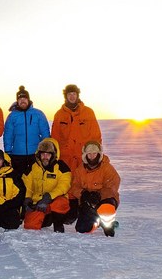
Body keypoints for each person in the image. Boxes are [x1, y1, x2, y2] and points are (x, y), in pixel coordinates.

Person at [51, 84, 102, 224]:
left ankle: (86, 210)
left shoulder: (88, 113)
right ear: (65, 96)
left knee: (84, 183)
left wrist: (95, 155)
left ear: (78, 95)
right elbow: (54, 137)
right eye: (69, 94)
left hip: (83, 156)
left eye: (74, 94)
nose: (72, 96)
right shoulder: (59, 114)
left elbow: (96, 136)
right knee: (68, 183)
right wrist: (55, 157)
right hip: (66, 157)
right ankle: (70, 210)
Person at [70, 141, 121, 237]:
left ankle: (108, 224)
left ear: (99, 154)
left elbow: (113, 185)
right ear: (85, 155)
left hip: (105, 200)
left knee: (107, 209)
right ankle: (97, 223)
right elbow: (74, 186)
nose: (92, 156)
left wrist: (99, 195)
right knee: (81, 229)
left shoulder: (107, 168)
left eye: (95, 153)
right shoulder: (79, 170)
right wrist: (83, 194)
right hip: (87, 201)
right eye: (89, 154)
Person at [23, 138, 71, 233]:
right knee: (30, 225)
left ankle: (58, 224)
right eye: (43, 154)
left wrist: (49, 197)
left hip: (55, 199)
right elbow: (26, 184)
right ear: (39, 154)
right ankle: (47, 218)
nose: (45, 157)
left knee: (60, 203)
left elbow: (64, 186)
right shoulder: (32, 167)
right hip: (38, 202)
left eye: (48, 154)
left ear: (53, 155)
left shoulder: (62, 167)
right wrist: (27, 198)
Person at [3, 85, 50, 176]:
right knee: (19, 180)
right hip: (17, 154)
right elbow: (8, 135)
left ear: (28, 100)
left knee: (36, 179)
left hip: (35, 154)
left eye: (25, 98)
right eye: (20, 99)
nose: (22, 101)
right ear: (17, 101)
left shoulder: (38, 114)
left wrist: (46, 150)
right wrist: (8, 152)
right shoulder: (12, 116)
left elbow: (45, 133)